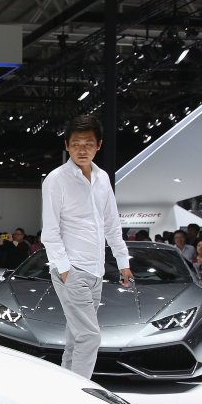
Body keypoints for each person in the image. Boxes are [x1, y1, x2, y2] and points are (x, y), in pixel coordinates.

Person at [40, 114, 133, 379]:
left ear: (99, 145)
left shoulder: (103, 179)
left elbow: (112, 225)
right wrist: (65, 270)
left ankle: (64, 390)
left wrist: (123, 263)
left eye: (88, 143)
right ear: (67, 146)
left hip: (96, 272)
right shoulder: (56, 179)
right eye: (77, 143)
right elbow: (50, 231)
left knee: (77, 338)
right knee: (90, 337)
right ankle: (79, 395)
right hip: (73, 271)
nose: (82, 149)